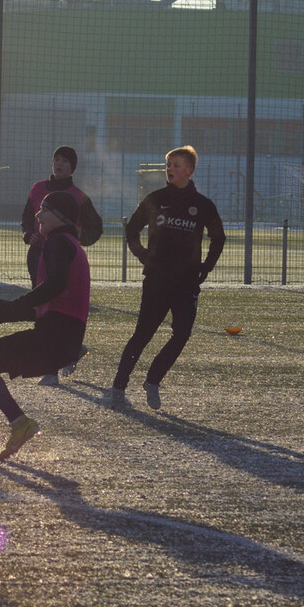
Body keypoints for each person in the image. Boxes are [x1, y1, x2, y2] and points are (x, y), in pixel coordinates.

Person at [0, 191, 91, 462]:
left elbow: (55, 286)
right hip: (61, 338)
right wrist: (16, 313)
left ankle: (19, 422)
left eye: (44, 210)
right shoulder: (69, 243)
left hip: (54, 338)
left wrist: (14, 305)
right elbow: (59, 304)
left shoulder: (57, 242)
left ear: (59, 216)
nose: (38, 215)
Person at [111, 145, 225, 411]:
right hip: (157, 280)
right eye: (168, 165)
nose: (170, 169)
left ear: (189, 171)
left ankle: (152, 381)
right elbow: (131, 230)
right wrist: (144, 256)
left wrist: (205, 268)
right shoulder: (155, 198)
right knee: (143, 333)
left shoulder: (203, 205)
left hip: (186, 283)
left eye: (176, 165)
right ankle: (118, 385)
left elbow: (218, 237)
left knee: (182, 333)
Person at [20, 146, 102, 385]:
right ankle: (62, 357)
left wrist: (77, 241)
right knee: (43, 310)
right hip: (39, 256)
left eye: (65, 161)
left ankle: (54, 365)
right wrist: (28, 235)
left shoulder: (78, 196)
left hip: (62, 259)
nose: (59, 164)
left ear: (72, 167)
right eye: (56, 159)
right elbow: (26, 219)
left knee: (57, 311)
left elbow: (96, 228)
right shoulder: (37, 189)